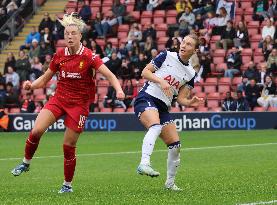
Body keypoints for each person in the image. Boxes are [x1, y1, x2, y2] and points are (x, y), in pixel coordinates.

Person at [11, 13, 125, 193]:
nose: (69, 36)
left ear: (80, 36)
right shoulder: (59, 55)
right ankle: (25, 163)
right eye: (67, 34)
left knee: (68, 146)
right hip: (59, 99)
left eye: (73, 33)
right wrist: (31, 85)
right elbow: (45, 78)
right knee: (37, 130)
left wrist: (118, 90)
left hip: (79, 105)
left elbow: (110, 75)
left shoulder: (89, 56)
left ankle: (67, 185)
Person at [134, 34, 203, 191]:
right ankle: (144, 163)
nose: (184, 45)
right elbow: (145, 72)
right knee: (155, 126)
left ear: (195, 50)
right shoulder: (166, 56)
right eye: (183, 42)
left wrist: (191, 102)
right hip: (147, 97)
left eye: (189, 44)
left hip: (163, 106)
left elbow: (181, 99)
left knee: (175, 145)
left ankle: (170, 184)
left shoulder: (191, 73)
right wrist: (161, 81)